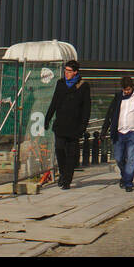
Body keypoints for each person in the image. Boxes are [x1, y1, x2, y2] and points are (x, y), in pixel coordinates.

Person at [45, 61, 91, 190]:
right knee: (59, 150)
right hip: (60, 124)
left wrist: (83, 126)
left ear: (75, 72)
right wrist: (47, 118)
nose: (66, 73)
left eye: (69, 71)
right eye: (65, 70)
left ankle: (67, 180)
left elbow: (86, 108)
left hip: (74, 127)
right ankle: (63, 173)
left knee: (71, 154)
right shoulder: (60, 83)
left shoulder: (83, 86)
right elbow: (54, 101)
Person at [100, 74, 134, 191]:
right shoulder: (118, 97)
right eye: (124, 89)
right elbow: (110, 114)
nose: (126, 91)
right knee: (118, 158)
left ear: (132, 87)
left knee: (131, 159)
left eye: (128, 89)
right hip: (119, 132)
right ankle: (125, 175)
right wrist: (104, 130)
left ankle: (128, 183)